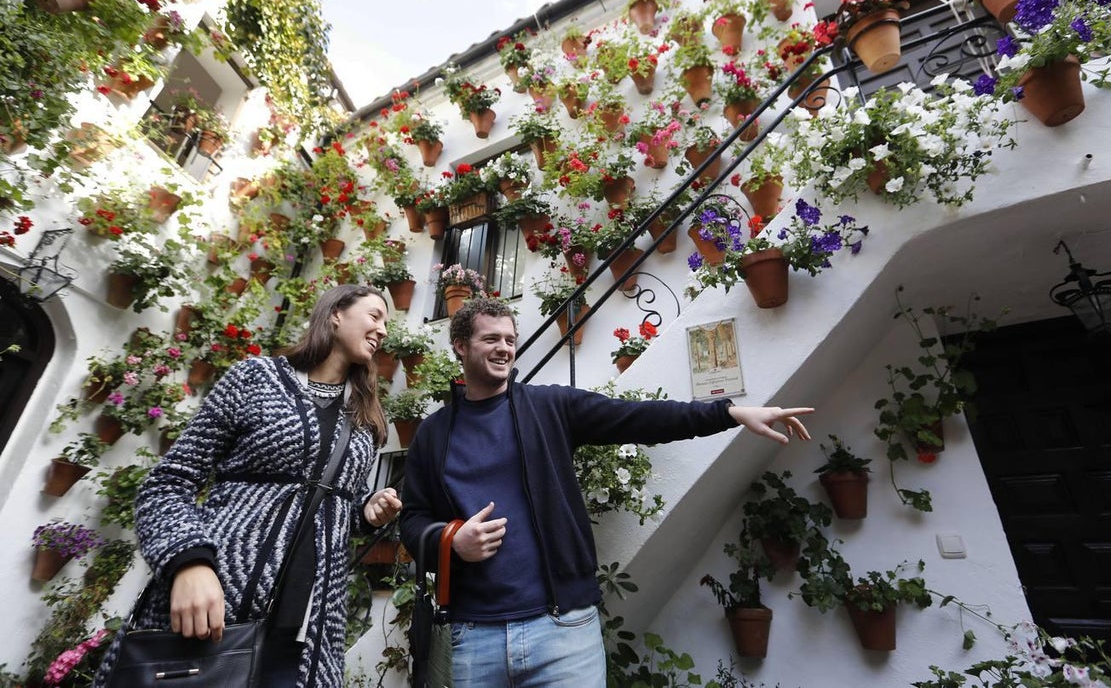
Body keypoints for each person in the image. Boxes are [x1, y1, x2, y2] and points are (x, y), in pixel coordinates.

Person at [399, 298, 813, 686]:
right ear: (460, 346)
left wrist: (729, 412)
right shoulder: (433, 436)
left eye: (510, 340)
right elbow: (413, 522)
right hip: (475, 636)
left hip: (563, 633)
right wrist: (452, 542)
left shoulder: (550, 408)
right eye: (491, 339)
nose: (505, 349)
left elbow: (639, 417)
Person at [93, 284, 403, 688]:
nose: (382, 330)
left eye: (386, 323)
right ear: (336, 314)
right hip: (215, 607)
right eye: (375, 315)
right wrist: (189, 563)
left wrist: (365, 510)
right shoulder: (255, 377)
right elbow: (168, 483)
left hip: (308, 632)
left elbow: (334, 507)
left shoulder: (362, 417)